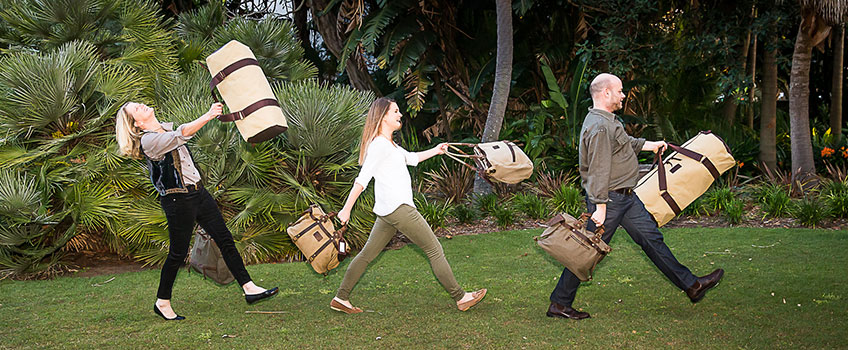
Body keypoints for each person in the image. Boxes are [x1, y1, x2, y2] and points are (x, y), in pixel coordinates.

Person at [546, 73, 724, 320]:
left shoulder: (606, 120)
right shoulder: (600, 127)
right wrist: (600, 206)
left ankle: (692, 285)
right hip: (609, 199)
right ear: (606, 93)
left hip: (626, 198)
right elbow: (598, 168)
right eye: (619, 91)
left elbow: (623, 142)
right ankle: (560, 303)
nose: (623, 95)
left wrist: (649, 145)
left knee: (652, 239)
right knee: (587, 251)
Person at [115, 101, 278, 321]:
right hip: (178, 200)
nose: (141, 105)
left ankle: (249, 287)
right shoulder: (149, 141)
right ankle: (162, 302)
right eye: (136, 108)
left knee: (225, 239)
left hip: (199, 193)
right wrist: (209, 115)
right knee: (178, 253)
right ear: (136, 124)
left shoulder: (164, 129)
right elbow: (182, 134)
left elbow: (180, 139)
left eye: (139, 103)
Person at [330, 97, 487, 314]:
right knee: (434, 249)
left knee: (366, 255)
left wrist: (437, 150)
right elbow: (362, 180)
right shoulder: (379, 146)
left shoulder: (390, 145)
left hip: (388, 213)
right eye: (395, 111)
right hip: (400, 209)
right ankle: (461, 297)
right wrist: (346, 209)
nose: (400, 115)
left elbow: (412, 158)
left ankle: (341, 298)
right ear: (383, 116)